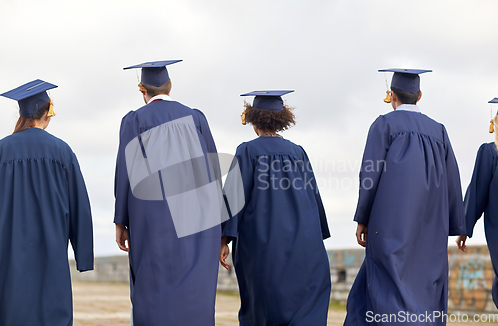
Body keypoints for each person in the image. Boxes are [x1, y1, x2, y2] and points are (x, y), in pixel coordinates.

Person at [344, 69, 466, 326]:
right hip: (431, 229)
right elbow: (453, 180)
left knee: (387, 287)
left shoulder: (384, 125)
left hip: (390, 227)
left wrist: (362, 218)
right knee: (425, 285)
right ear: (420, 95)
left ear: (392, 96)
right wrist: (457, 225)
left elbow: (369, 175)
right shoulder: (439, 131)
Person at [114, 60, 223, 325]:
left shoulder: (135, 120)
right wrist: (223, 230)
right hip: (199, 221)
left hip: (152, 220)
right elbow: (215, 173)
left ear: (143, 91)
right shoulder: (196, 118)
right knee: (196, 289)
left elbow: (125, 173)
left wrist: (121, 220)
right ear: (170, 86)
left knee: (153, 286)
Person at [220, 90, 331, 326]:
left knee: (264, 311)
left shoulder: (247, 151)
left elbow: (233, 198)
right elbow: (314, 198)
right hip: (306, 246)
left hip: (263, 248)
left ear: (252, 121)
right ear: (282, 119)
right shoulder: (298, 152)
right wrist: (317, 235)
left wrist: (224, 238)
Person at [0, 79, 94, 326]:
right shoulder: (62, 151)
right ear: (48, 113)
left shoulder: (2, 150)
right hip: (52, 252)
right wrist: (83, 255)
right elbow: (79, 206)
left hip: (7, 254)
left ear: (21, 113)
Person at [456, 97, 498, 311]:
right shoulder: (492, 154)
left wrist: (464, 227)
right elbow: (477, 192)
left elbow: (476, 193)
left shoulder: (492, 153)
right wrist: (464, 226)